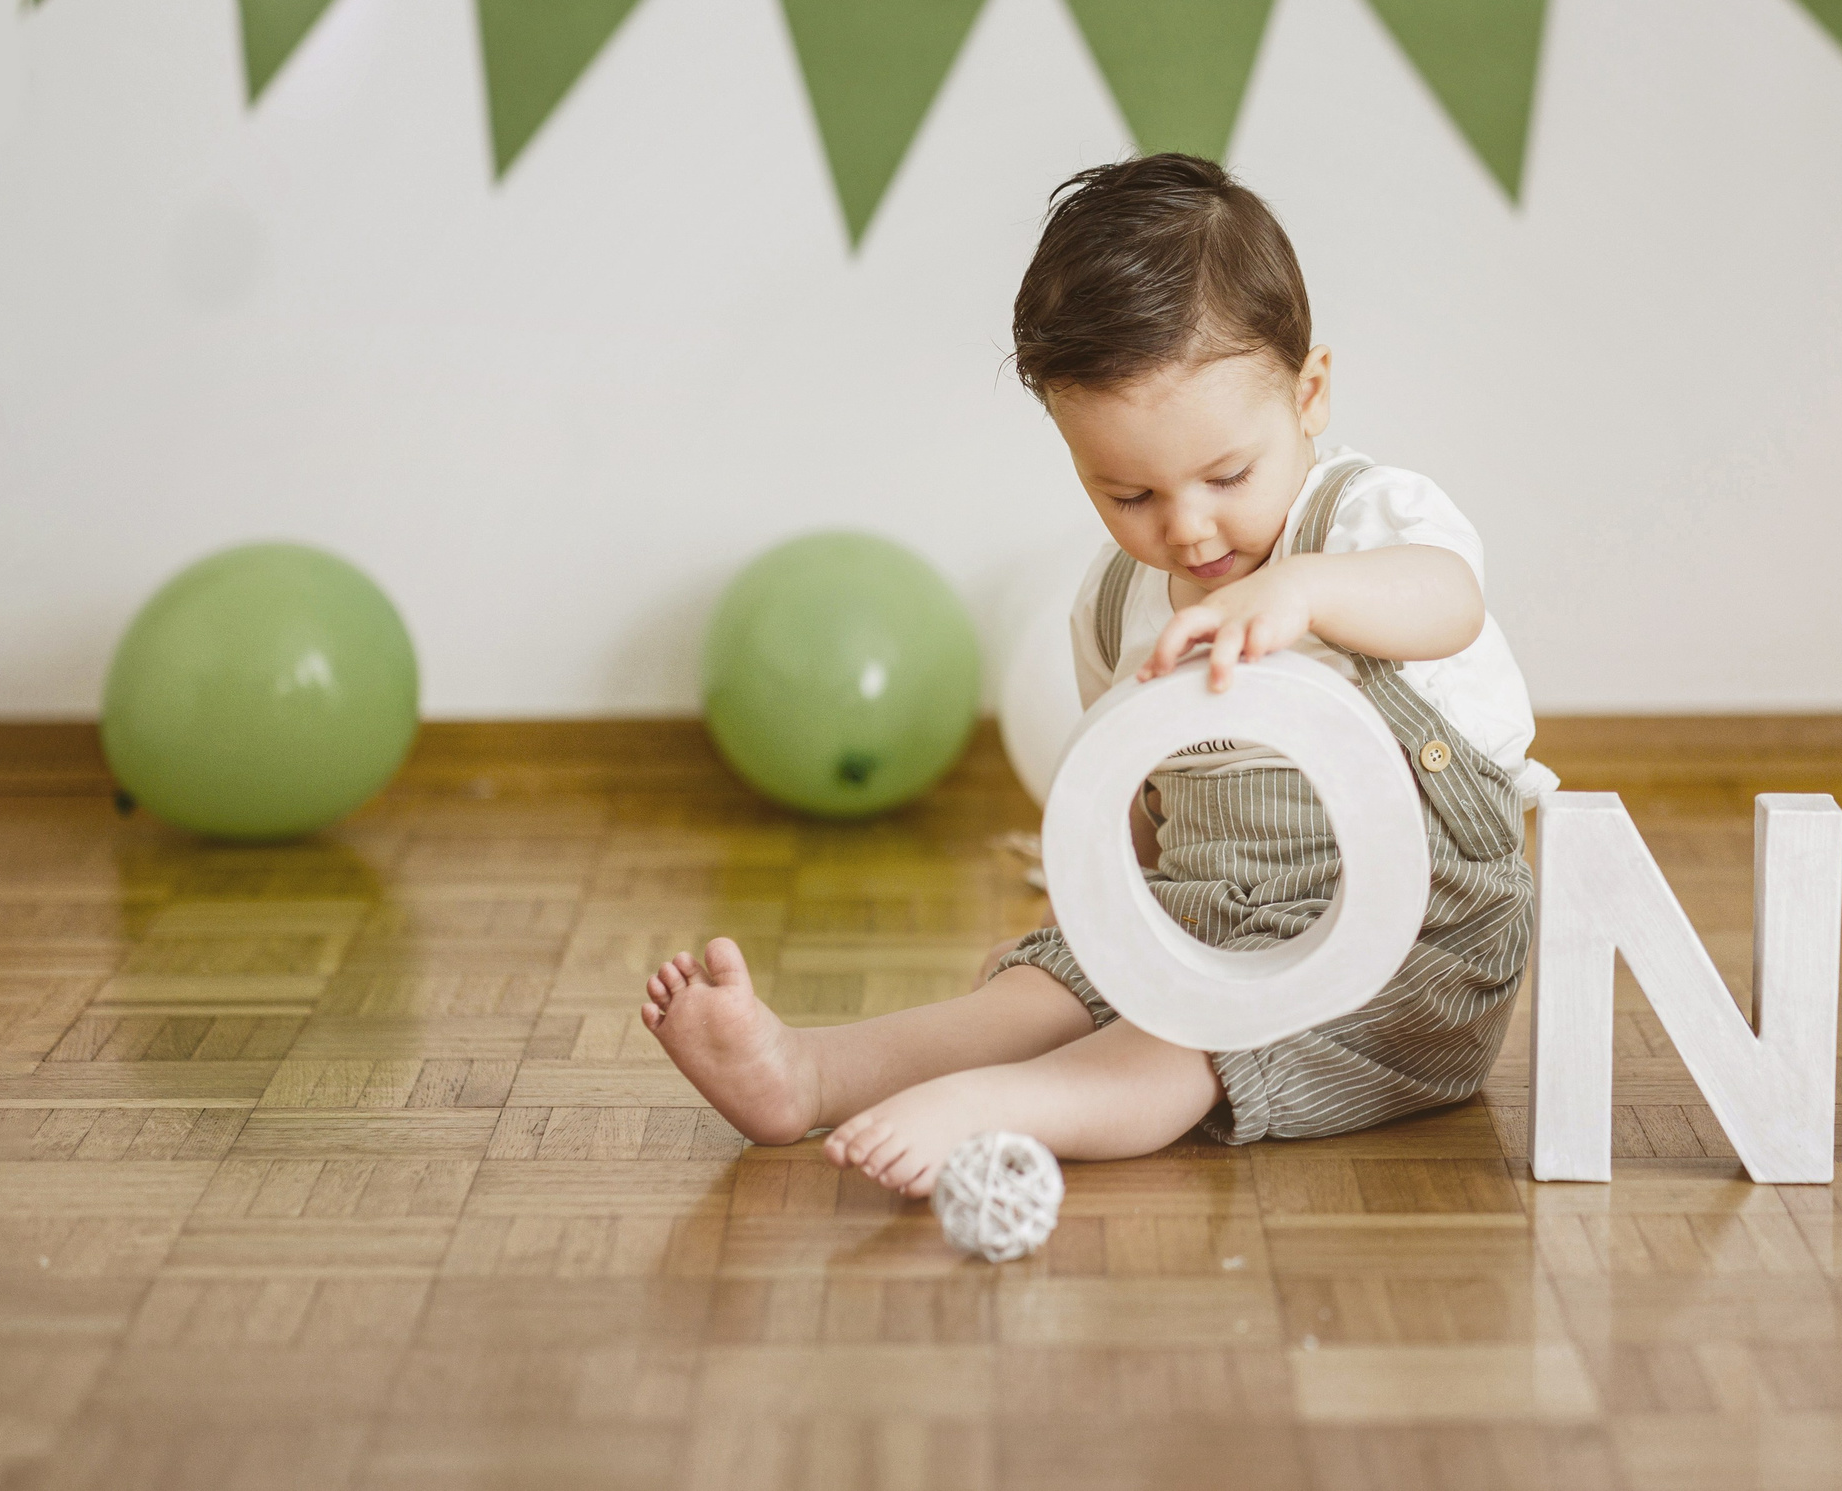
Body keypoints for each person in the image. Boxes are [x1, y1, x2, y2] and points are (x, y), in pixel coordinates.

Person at [643, 153, 1552, 1196]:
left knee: (1187, 1045)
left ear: (1309, 395)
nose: (1187, 527)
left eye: (1227, 475)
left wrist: (1303, 590)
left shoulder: (1364, 525)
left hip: (1400, 947)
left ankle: (1009, 1107)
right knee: (1031, 998)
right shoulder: (1117, 602)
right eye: (1128, 494)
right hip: (1202, 906)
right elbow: (1134, 802)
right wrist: (1095, 928)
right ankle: (805, 1074)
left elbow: (1448, 600)